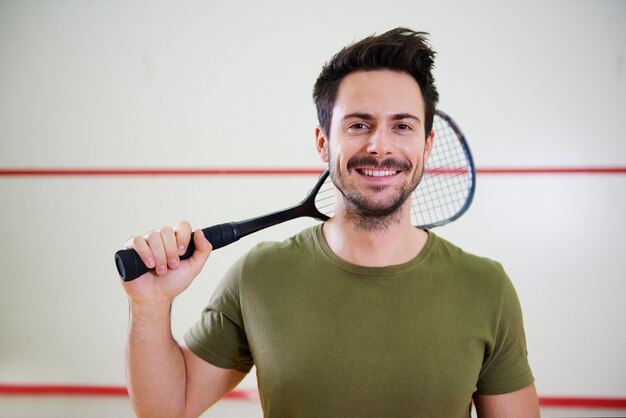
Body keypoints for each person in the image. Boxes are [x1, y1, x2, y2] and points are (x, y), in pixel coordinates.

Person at [121, 28, 539, 417]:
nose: (380, 145)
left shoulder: (486, 287)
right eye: (359, 124)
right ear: (323, 142)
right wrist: (150, 307)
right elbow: (166, 409)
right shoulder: (259, 275)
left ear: (427, 146)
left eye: (402, 126)